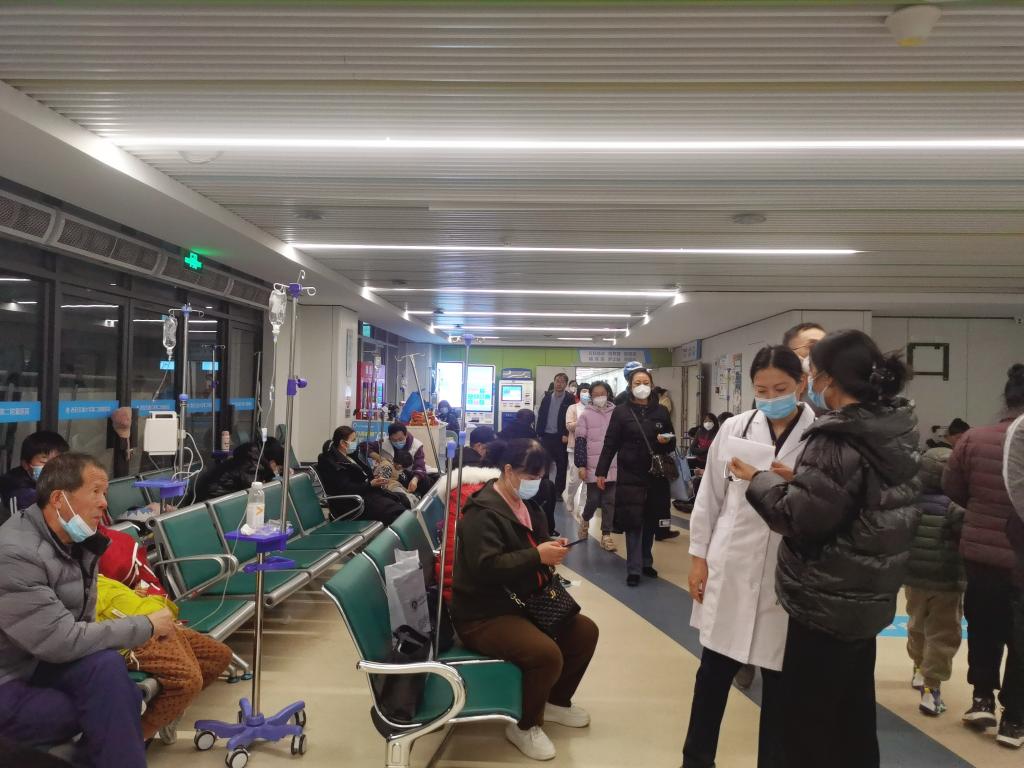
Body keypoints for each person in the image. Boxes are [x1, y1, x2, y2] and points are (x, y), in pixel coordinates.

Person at [734, 329, 919, 768]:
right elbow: (859, 502)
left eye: (812, 373)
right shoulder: (894, 429)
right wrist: (802, 480)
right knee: (853, 719)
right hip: (866, 595)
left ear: (830, 379)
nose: (811, 383)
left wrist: (760, 480)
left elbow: (799, 519)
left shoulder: (837, 437)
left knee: (807, 727)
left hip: (825, 601)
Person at [682, 345, 816, 768]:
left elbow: (825, 505)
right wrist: (698, 557)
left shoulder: (819, 436)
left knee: (780, 686)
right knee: (712, 675)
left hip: (787, 570)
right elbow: (710, 496)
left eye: (781, 388)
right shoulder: (735, 428)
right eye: (762, 389)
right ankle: (696, 760)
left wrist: (796, 480)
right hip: (732, 563)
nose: (771, 397)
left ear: (801, 385)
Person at [0, 452, 177, 768]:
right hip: (10, 679)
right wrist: (146, 625)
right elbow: (61, 640)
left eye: (105, 493)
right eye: (95, 492)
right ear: (59, 499)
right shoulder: (15, 554)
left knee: (107, 671)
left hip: (39, 664)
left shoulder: (76, 541)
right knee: (115, 703)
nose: (104, 503)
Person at [451, 439, 599, 762]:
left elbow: (532, 543)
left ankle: (555, 701)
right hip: (483, 612)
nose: (535, 483)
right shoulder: (481, 512)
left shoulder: (527, 506)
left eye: (540, 477)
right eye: (530, 476)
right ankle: (525, 724)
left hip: (523, 601)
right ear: (508, 471)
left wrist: (549, 546)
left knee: (584, 632)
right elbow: (485, 567)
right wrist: (537, 556)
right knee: (545, 654)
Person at [943, 364, 1024, 744]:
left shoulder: (973, 439)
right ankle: (1016, 719)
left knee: (983, 626)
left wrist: (981, 511)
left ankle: (982, 699)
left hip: (982, 554)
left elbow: (953, 487)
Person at [95, 572, 232, 742]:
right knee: (188, 682)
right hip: (137, 638)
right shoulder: (75, 592)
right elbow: (90, 630)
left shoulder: (95, 575)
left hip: (158, 620)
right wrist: (141, 626)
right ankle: (135, 738)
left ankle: (169, 713)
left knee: (219, 656)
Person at [904, 421, 968, 717]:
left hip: (914, 579)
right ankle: (931, 689)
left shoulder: (909, 503)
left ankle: (918, 667)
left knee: (916, 625)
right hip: (947, 582)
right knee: (943, 634)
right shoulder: (959, 507)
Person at [596, 365, 674, 586]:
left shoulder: (661, 411)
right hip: (630, 473)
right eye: (637, 383)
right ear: (630, 386)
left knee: (650, 519)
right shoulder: (621, 412)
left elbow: (672, 442)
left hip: (655, 474)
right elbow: (610, 443)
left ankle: (646, 561)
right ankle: (633, 568)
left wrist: (665, 440)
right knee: (633, 521)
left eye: (646, 383)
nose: (642, 387)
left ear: (652, 385)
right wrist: (601, 471)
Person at [316, 426, 408, 524]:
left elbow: (364, 475)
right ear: (343, 443)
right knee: (395, 512)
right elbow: (346, 488)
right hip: (353, 503)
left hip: (366, 494)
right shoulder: (332, 464)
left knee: (402, 500)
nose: (356, 443)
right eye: (353, 440)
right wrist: (370, 484)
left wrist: (375, 479)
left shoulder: (351, 456)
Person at [574, 381, 618, 552]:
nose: (600, 397)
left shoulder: (616, 413)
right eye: (596, 394)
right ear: (591, 397)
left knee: (609, 501)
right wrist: (581, 465)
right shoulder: (585, 415)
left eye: (602, 393)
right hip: (593, 466)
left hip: (613, 464)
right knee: (593, 500)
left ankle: (606, 535)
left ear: (608, 394)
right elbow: (580, 441)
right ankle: (585, 519)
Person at [194, 438, 283, 502]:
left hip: (211, 495)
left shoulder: (250, 456)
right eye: (279, 469)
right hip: (211, 499)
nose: (277, 472)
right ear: (272, 462)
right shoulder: (252, 465)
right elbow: (254, 494)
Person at [0, 430, 69, 513]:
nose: (52, 467)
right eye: (44, 462)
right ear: (25, 464)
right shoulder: (24, 494)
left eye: (57, 461)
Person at [536, 373, 573, 507]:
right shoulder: (546, 398)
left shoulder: (570, 399)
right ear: (554, 381)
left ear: (566, 384)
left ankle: (558, 492)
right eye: (557, 381)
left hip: (560, 437)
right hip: (546, 436)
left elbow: (571, 418)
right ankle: (544, 489)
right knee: (544, 465)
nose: (559, 384)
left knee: (561, 466)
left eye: (562, 382)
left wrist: (566, 433)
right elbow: (541, 415)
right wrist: (539, 433)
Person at [363, 422, 429, 494]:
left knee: (425, 481)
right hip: (392, 481)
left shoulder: (416, 446)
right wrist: (380, 458)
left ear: (406, 435)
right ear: (389, 438)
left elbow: (420, 466)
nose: (397, 442)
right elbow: (364, 446)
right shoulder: (384, 443)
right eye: (394, 440)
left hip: (409, 475)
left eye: (400, 439)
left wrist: (415, 479)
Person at [563, 382, 591, 510]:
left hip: (591, 448)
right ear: (579, 393)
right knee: (575, 478)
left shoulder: (594, 408)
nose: (586, 394)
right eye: (584, 391)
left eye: (588, 391)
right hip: (575, 447)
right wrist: (583, 419)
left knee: (588, 479)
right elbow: (569, 426)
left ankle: (582, 505)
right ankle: (570, 498)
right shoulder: (572, 408)